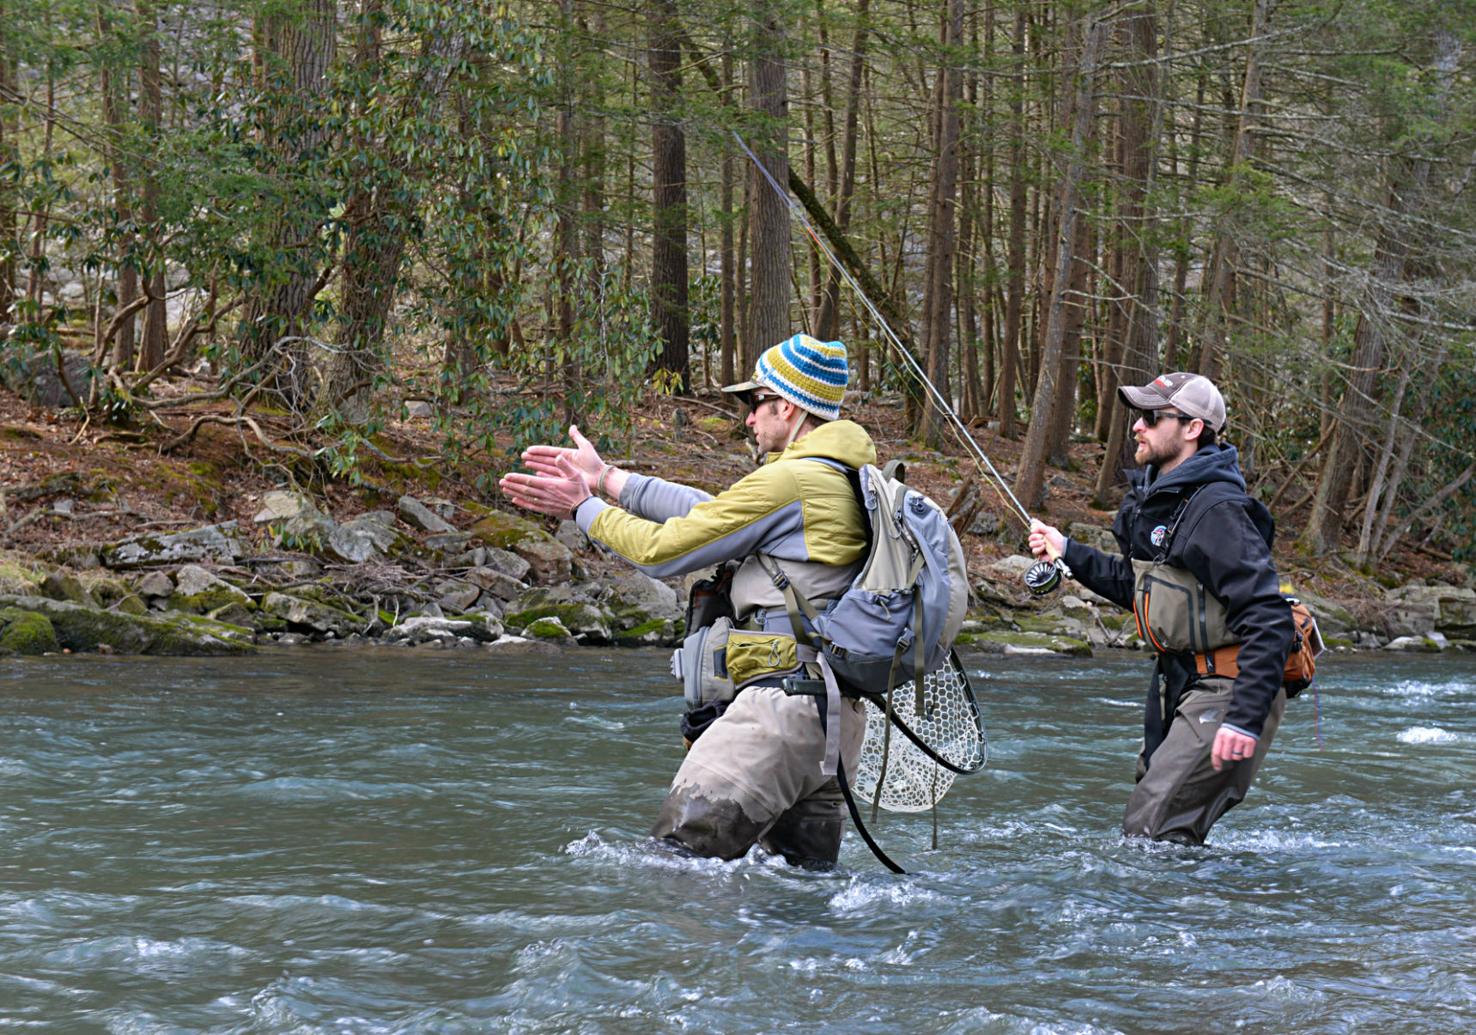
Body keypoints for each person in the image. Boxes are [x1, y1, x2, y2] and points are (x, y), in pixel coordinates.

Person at [499, 334, 875, 868]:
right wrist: (607, 479)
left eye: (754, 403)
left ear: (785, 405)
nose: (747, 420)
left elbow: (663, 550)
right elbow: (714, 511)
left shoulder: (794, 480)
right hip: (834, 727)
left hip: (778, 715)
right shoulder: (844, 478)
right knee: (799, 895)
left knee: (674, 865)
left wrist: (582, 509)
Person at [1027, 372, 1295, 844]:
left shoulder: (1217, 511)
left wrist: (1244, 717)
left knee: (1151, 828)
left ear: (1192, 429)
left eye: (1152, 417)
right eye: (1139, 416)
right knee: (1150, 827)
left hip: (1228, 687)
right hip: (1177, 682)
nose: (1137, 426)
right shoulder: (1157, 501)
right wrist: (1067, 550)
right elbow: (1140, 588)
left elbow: (1269, 617)